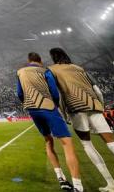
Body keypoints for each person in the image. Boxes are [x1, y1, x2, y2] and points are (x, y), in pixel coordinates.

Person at [48, 48, 114, 192]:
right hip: (94, 105)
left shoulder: (52, 70)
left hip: (75, 108)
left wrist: (64, 115)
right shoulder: (80, 68)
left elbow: (58, 95)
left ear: (53, 57)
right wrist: (100, 106)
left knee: (87, 145)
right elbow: (98, 91)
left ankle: (112, 184)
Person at [17, 52, 82, 191]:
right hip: (48, 106)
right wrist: (55, 105)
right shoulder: (45, 71)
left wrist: (29, 103)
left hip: (32, 109)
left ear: (29, 60)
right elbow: (54, 91)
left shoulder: (20, 72)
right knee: (67, 143)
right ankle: (78, 186)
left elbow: (20, 93)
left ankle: (61, 178)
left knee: (48, 140)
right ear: (39, 60)